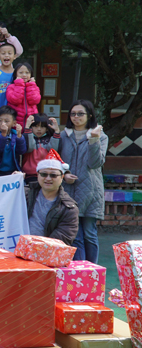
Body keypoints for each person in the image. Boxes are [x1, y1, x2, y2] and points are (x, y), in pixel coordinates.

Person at [58, 100, 108, 263]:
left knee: (89, 234)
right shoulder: (64, 135)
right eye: (73, 114)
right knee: (75, 234)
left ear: (90, 115)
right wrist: (64, 174)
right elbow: (57, 160)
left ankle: (93, 270)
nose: (76, 117)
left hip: (90, 192)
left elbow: (95, 163)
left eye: (80, 114)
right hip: (68, 191)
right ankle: (80, 270)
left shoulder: (100, 136)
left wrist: (93, 139)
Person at [26, 150, 79, 246]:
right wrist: (13, 183)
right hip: (16, 249)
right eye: (44, 174)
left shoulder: (68, 208)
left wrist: (35, 247)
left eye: (53, 175)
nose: (48, 178)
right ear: (37, 175)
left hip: (45, 252)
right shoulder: (24, 193)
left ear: (62, 177)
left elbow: (63, 239)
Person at [0, 105, 27, 176]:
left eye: (6, 121)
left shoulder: (15, 135)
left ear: (14, 123)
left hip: (13, 171)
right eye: (0, 120)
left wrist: (19, 136)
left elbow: (21, 151)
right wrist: (3, 134)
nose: (3, 124)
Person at [23, 114, 59, 183]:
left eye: (42, 127)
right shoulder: (28, 137)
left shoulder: (49, 138)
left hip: (47, 173)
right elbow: (30, 147)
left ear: (47, 128)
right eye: (35, 126)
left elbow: (53, 150)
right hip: (30, 174)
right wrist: (27, 128)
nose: (39, 129)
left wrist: (56, 131)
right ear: (31, 127)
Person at [6, 62, 41, 128]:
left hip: (31, 121)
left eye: (27, 73)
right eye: (21, 72)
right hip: (16, 121)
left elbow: (35, 100)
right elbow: (15, 100)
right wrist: (19, 84)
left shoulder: (34, 87)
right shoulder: (11, 87)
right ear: (15, 74)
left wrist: (31, 85)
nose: (24, 75)